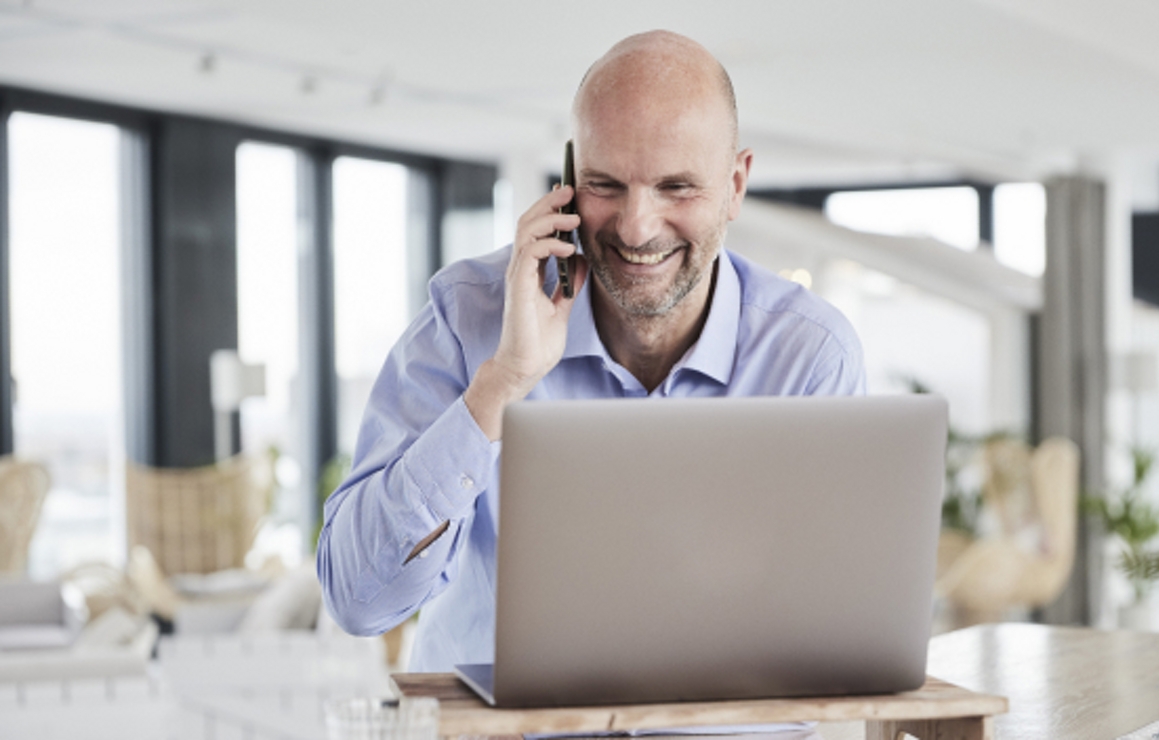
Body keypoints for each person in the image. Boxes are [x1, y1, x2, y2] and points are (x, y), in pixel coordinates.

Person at [317, 30, 866, 672]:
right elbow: (358, 602)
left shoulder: (809, 354)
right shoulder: (467, 317)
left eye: (677, 187)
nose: (636, 227)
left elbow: (830, 627)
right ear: (568, 182)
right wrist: (501, 383)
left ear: (736, 184)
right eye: (606, 184)